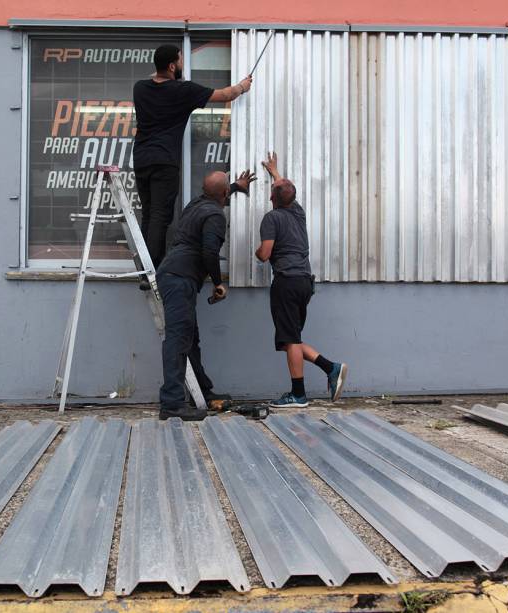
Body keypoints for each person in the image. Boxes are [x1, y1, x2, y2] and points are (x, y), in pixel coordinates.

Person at [133, 44, 253, 269]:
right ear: (171, 66)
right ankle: (152, 268)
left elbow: (156, 77)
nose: (182, 64)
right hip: (164, 161)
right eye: (180, 61)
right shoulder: (183, 91)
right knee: (160, 216)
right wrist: (243, 86)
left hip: (141, 159)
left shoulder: (139, 88)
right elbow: (226, 94)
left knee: (148, 214)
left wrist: (169, 72)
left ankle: (143, 268)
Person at [157, 169, 256, 420]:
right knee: (178, 340)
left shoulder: (196, 203)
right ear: (223, 195)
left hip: (175, 275)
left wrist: (236, 185)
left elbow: (216, 192)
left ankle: (202, 392)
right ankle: (171, 404)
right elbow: (209, 252)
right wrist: (217, 282)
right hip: (180, 279)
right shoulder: (215, 215)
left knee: (190, 340)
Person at [255, 152, 347, 407]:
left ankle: (298, 395)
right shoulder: (298, 212)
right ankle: (331, 368)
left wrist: (257, 251)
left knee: (291, 340)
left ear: (272, 197)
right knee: (290, 339)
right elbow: (285, 188)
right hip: (305, 281)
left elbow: (265, 254)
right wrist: (274, 173)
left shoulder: (271, 218)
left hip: (286, 282)